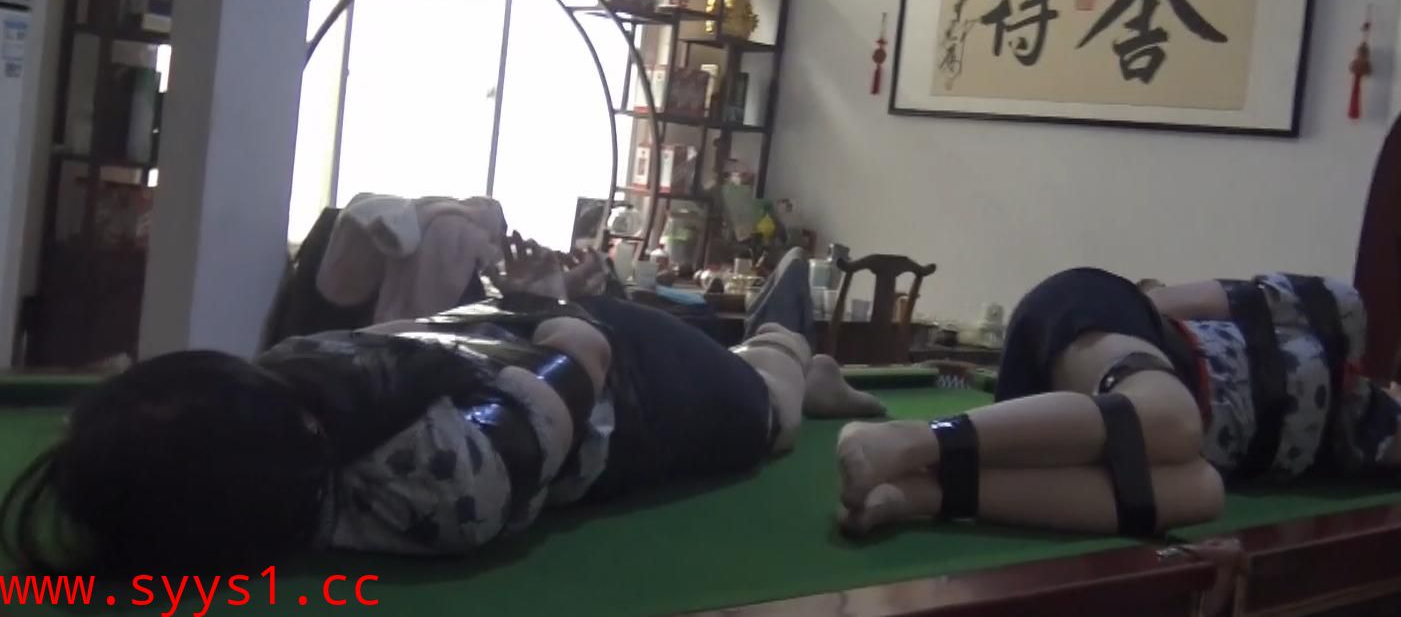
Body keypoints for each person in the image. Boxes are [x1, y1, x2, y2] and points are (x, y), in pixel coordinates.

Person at [1, 239, 884, 574]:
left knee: (767, 381)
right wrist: (554, 308)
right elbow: (585, 354)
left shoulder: (287, 380)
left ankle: (793, 346)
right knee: (769, 409)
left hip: (559, 338)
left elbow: (432, 342)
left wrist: (529, 297)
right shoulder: (442, 483)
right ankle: (794, 343)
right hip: (636, 389)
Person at [836, 268, 1401, 537]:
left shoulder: (1322, 461)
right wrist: (1118, 343)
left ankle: (914, 494)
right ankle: (916, 439)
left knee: (1202, 493)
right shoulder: (1339, 316)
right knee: (1173, 418)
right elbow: (1168, 303)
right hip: (1109, 323)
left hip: (1119, 439)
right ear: (1395, 390)